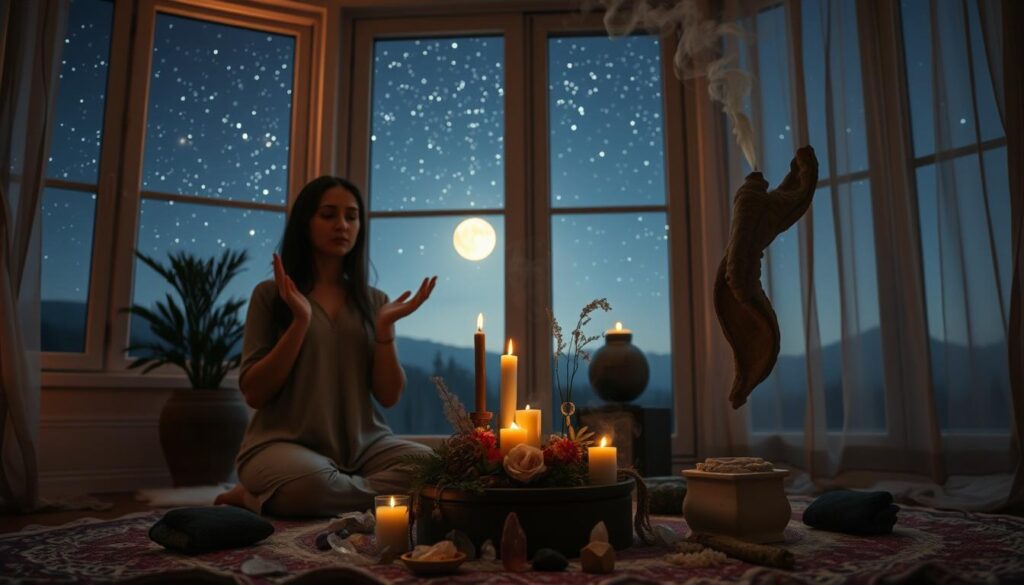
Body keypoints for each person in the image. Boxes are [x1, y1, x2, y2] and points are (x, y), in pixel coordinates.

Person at [215, 176, 437, 517]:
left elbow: (389, 396)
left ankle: (270, 498)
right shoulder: (271, 295)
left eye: (351, 216)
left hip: (365, 448)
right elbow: (254, 393)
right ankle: (259, 495)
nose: (342, 225)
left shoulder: (374, 301)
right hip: (282, 446)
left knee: (431, 468)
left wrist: (384, 328)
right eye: (329, 215)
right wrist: (300, 322)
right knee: (312, 486)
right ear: (306, 222)